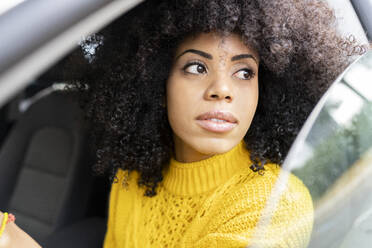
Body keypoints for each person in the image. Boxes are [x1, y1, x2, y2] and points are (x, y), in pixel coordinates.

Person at [0, 0, 367, 247]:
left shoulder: (275, 205)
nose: (222, 90)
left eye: (244, 72)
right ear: (157, 82)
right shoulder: (130, 178)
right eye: (196, 66)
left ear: (266, 91)